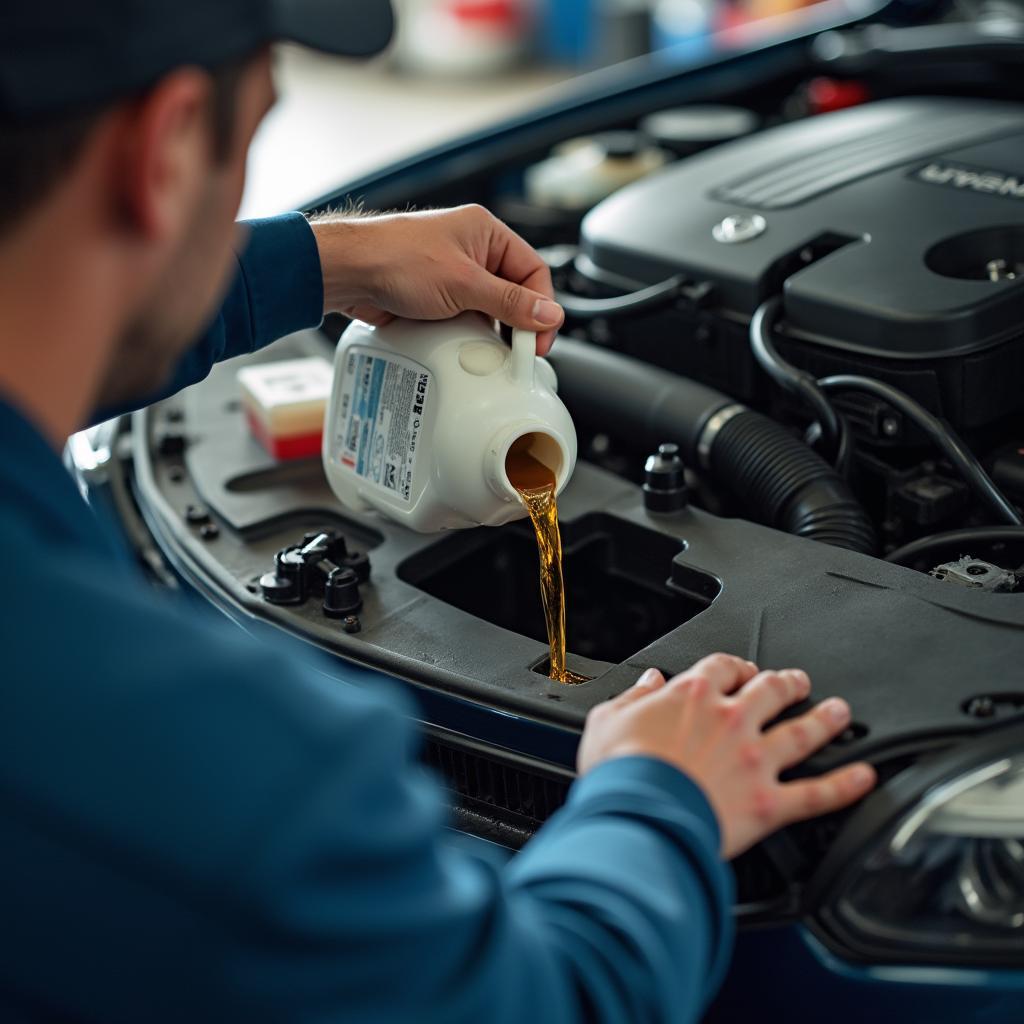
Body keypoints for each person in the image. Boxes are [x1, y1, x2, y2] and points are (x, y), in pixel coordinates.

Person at [0, 2, 877, 1021]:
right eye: (250, 135)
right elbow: (542, 1000)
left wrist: (326, 263)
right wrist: (659, 799)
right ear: (166, 148)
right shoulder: (225, 781)